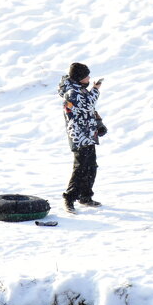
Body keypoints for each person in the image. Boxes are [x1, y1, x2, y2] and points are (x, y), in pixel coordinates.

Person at [57, 62, 107, 213]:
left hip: (89, 134)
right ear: (79, 77)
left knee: (91, 166)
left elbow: (90, 110)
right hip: (79, 136)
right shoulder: (72, 92)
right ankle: (69, 198)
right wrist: (96, 90)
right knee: (80, 168)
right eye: (86, 76)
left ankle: (85, 197)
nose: (89, 78)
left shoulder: (81, 89)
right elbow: (87, 105)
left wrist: (99, 125)